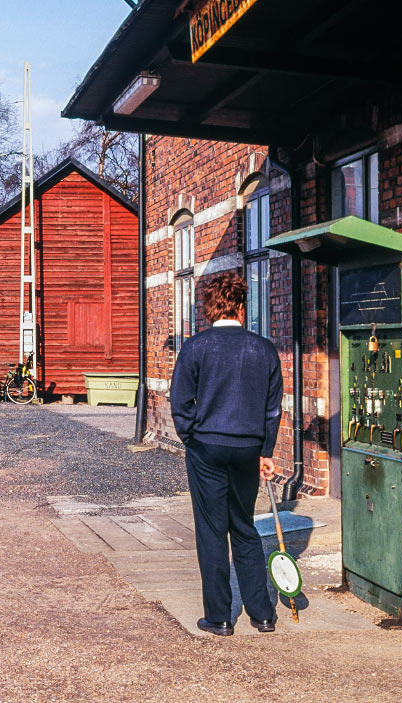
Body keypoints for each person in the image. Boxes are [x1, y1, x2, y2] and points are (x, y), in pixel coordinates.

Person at [170, 273, 282, 637]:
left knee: (212, 530)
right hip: (248, 448)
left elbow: (180, 403)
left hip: (207, 446)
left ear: (209, 308)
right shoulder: (264, 349)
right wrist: (265, 451)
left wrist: (193, 439)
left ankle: (219, 617)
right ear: (242, 307)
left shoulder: (196, 348)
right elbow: (272, 408)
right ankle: (262, 613)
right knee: (244, 526)